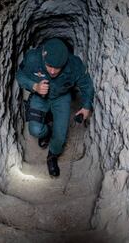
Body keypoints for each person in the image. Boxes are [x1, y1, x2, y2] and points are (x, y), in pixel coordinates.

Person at [16, 38, 94, 177]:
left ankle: (52, 156)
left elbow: (86, 84)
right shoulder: (33, 58)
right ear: (43, 57)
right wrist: (34, 86)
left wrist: (86, 106)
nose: (52, 71)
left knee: (59, 137)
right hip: (39, 96)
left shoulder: (74, 64)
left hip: (62, 98)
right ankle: (47, 130)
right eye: (49, 66)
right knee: (35, 130)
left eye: (57, 67)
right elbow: (20, 75)